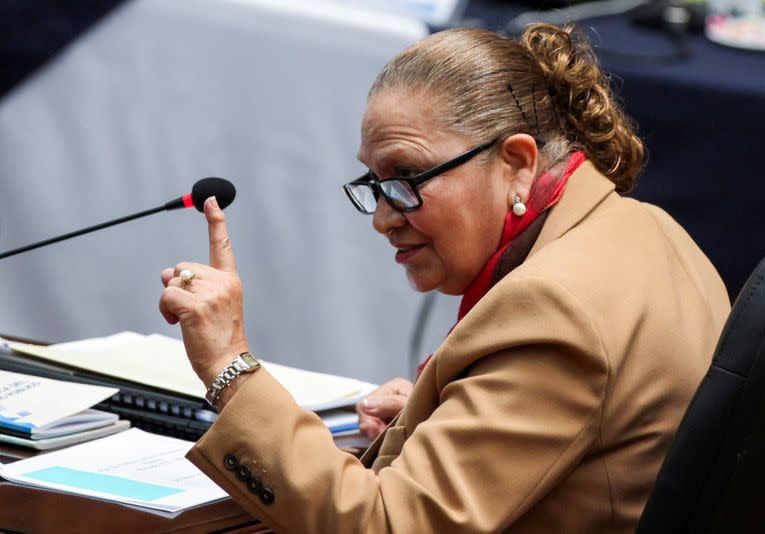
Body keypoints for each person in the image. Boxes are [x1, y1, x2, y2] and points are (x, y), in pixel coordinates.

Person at [159, 23, 730, 533]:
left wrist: (230, 367)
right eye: (374, 183)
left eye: (407, 177)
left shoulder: (556, 308)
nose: (383, 218)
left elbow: (388, 526)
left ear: (517, 163)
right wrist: (436, 415)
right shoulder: (649, 229)